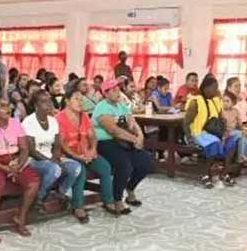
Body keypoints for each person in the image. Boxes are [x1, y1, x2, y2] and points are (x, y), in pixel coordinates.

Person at [0, 97, 40, 244]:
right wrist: (3, 168)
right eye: (2, 106)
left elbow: (24, 148)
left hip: (13, 160)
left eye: (8, 105)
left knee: (33, 181)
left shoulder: (16, 123)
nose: (8, 108)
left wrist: (19, 163)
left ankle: (20, 218)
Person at [56, 83, 118, 221]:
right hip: (68, 156)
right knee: (81, 171)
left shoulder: (84, 116)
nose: (81, 102)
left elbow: (92, 136)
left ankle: (108, 200)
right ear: (67, 101)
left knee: (105, 167)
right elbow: (62, 144)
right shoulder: (59, 118)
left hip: (86, 153)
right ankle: (77, 206)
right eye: (77, 99)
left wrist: (92, 149)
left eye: (82, 99)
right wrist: (78, 157)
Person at [92, 78, 152, 214]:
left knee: (145, 161)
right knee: (124, 166)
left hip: (124, 141)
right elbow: (112, 130)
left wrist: (140, 136)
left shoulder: (121, 106)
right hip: (104, 143)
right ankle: (117, 199)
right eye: (113, 90)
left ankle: (130, 188)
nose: (117, 91)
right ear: (105, 93)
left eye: (118, 88)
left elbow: (133, 122)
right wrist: (134, 139)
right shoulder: (101, 107)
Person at [23, 90, 82, 208]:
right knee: (54, 169)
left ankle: (60, 193)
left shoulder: (53, 121)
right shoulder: (28, 122)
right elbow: (32, 151)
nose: (49, 104)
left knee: (75, 167)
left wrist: (56, 158)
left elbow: (56, 144)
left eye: (49, 100)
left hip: (51, 157)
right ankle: (39, 197)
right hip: (34, 160)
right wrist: (52, 161)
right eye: (44, 102)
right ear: (36, 105)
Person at [183, 74, 239, 188]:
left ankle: (225, 172)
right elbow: (186, 122)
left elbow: (220, 119)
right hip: (198, 133)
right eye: (214, 88)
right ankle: (205, 174)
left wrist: (224, 133)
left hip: (213, 132)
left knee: (231, 142)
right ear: (205, 88)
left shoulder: (216, 101)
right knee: (214, 143)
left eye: (217, 87)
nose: (216, 90)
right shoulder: (195, 102)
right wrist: (189, 137)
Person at [225, 77, 247, 162]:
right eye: (236, 86)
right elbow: (228, 119)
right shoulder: (226, 100)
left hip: (243, 125)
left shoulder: (241, 98)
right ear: (229, 88)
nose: (238, 88)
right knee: (244, 134)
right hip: (231, 128)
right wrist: (241, 126)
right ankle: (241, 159)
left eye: (239, 86)